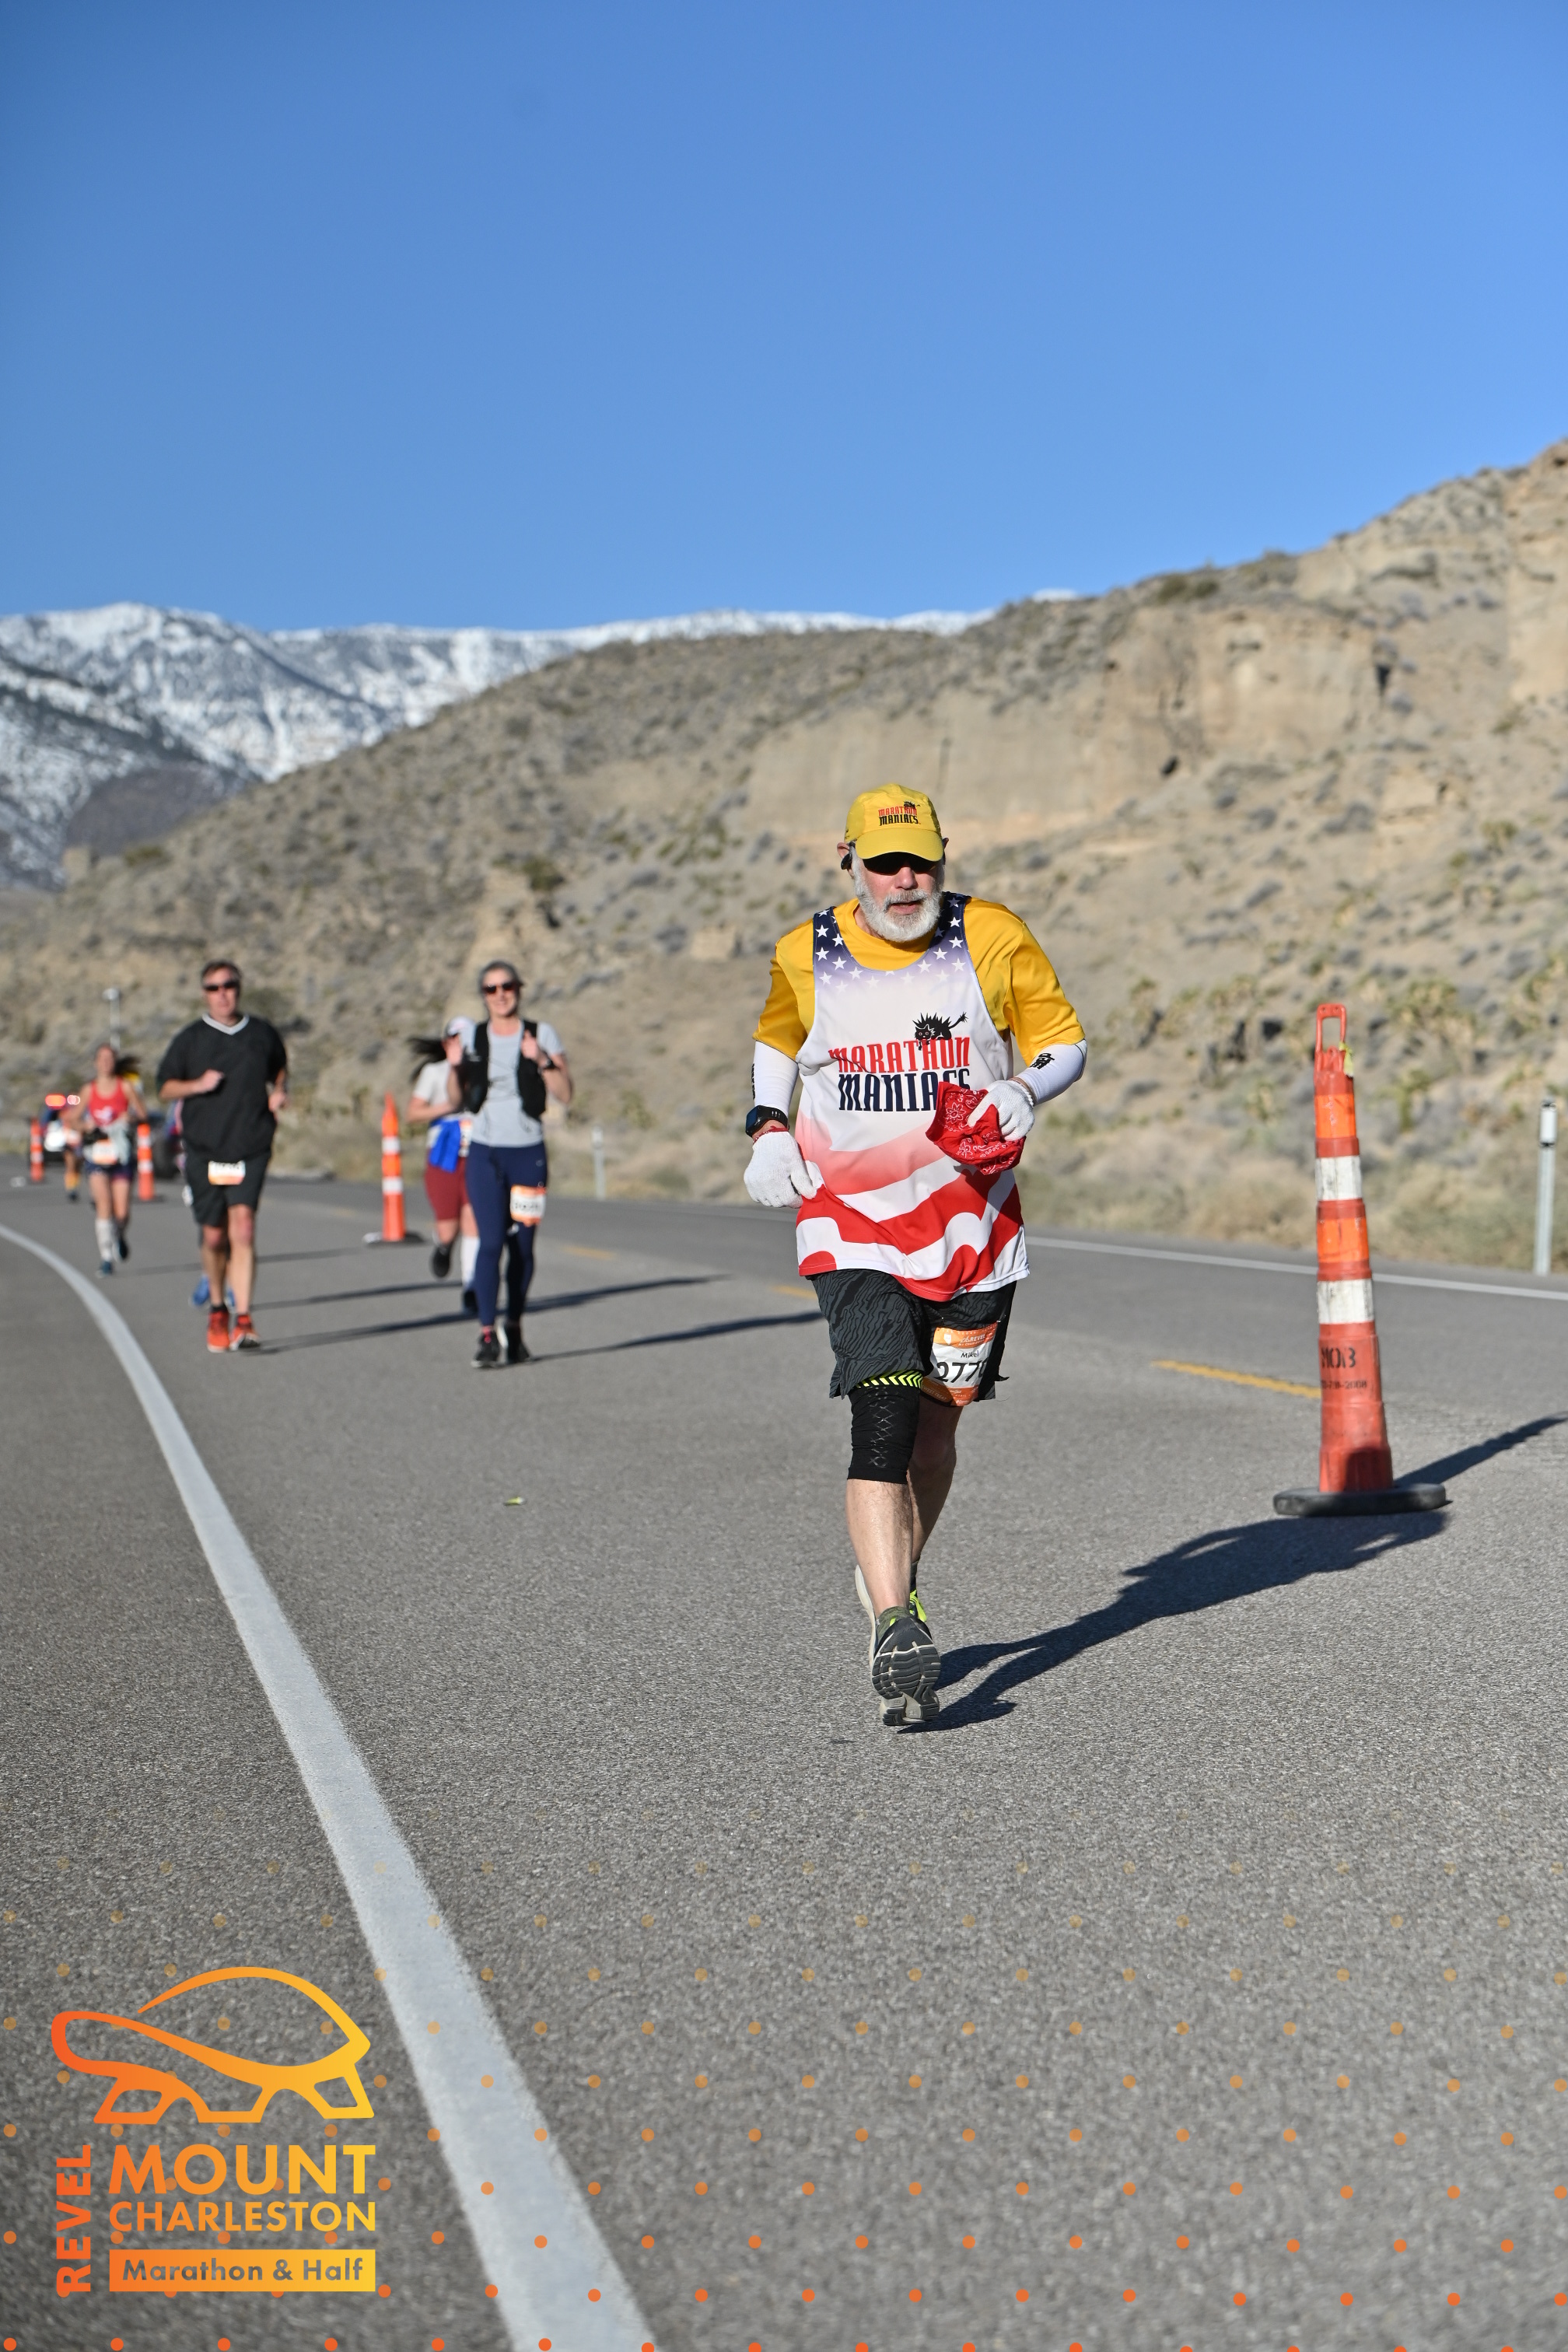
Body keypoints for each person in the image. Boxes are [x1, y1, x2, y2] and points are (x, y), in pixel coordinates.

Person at [744, 786, 1087, 1727]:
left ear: (942, 858)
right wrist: (769, 1125)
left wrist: (1025, 1090)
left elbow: (1063, 1043)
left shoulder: (991, 936)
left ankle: (895, 1575)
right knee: (884, 1420)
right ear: (849, 862)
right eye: (885, 863)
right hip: (851, 1221)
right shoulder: (807, 951)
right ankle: (895, 1620)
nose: (904, 881)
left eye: (920, 862)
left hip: (975, 1230)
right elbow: (778, 1038)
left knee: (936, 1437)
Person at [156, 959, 289, 1353]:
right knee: (214, 1235)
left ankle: (244, 1319)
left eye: (229, 985)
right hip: (204, 1150)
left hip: (250, 1146)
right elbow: (165, 1087)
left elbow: (279, 1070)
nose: (222, 994)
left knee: (243, 1228)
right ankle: (218, 1308)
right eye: (213, 988)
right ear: (204, 994)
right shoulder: (190, 1039)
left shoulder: (261, 1033)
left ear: (239, 989)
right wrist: (197, 1085)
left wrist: (279, 1092)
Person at [458, 961, 571, 1368]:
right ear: (483, 995)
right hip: (485, 1153)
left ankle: (515, 1326)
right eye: (491, 989)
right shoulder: (472, 1037)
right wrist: (454, 1065)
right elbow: (456, 1095)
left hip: (527, 1155)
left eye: (507, 986)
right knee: (490, 1243)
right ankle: (487, 1334)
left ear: (519, 989)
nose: (500, 994)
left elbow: (565, 1093)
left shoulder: (541, 1034)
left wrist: (541, 1059)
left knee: (522, 1248)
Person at [407, 1017, 480, 1293]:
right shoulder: (434, 1072)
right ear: (447, 1043)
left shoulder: (483, 1069)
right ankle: (444, 1245)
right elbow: (413, 1113)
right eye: (456, 1038)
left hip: (476, 1153)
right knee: (449, 1227)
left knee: (474, 1220)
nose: (462, 1044)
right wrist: (447, 1108)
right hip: (444, 1154)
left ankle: (472, 1286)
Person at [64, 1045, 149, 1277]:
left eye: (110, 1059)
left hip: (121, 1154)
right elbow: (72, 1120)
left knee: (121, 1212)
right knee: (104, 1204)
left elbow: (143, 1115)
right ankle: (106, 1258)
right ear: (95, 1063)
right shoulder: (89, 1090)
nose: (105, 1063)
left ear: (115, 1062)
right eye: (102, 1059)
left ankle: (119, 1234)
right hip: (97, 1154)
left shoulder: (126, 1087)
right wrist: (85, 1126)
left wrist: (130, 1118)